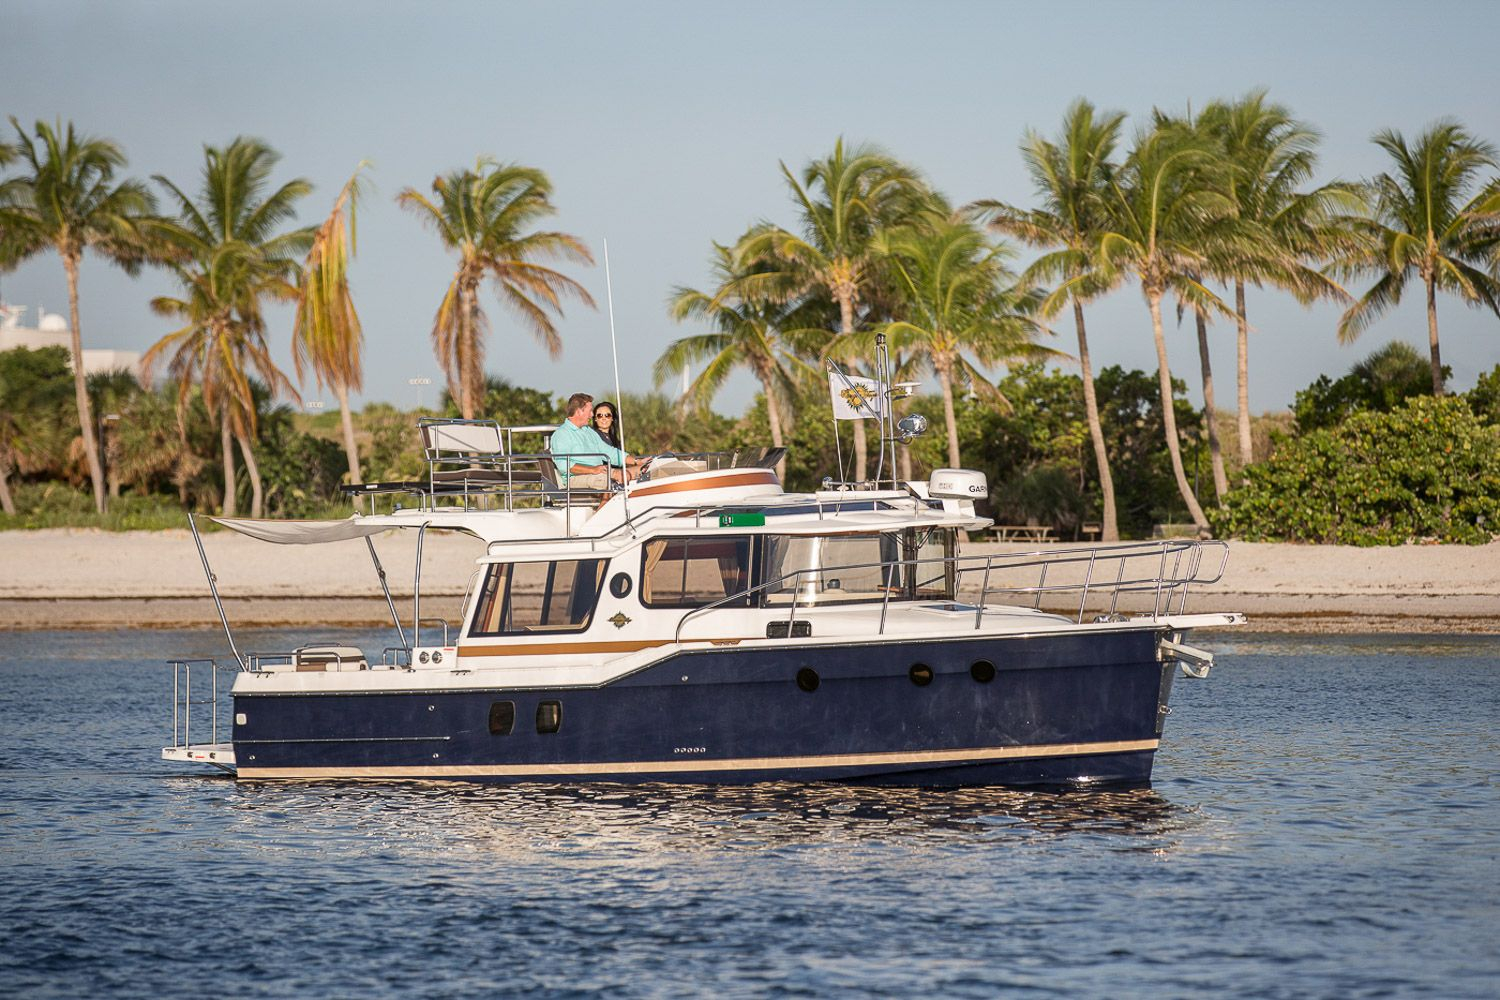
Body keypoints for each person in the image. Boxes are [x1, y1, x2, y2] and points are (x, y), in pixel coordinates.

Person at [551, 393, 641, 489]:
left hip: (599, 473)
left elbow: (609, 452)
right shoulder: (561, 434)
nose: (592, 415)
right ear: (579, 412)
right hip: (576, 478)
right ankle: (607, 503)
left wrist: (637, 461)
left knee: (641, 471)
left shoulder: (589, 431)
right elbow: (563, 465)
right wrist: (593, 470)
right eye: (590, 411)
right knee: (608, 481)